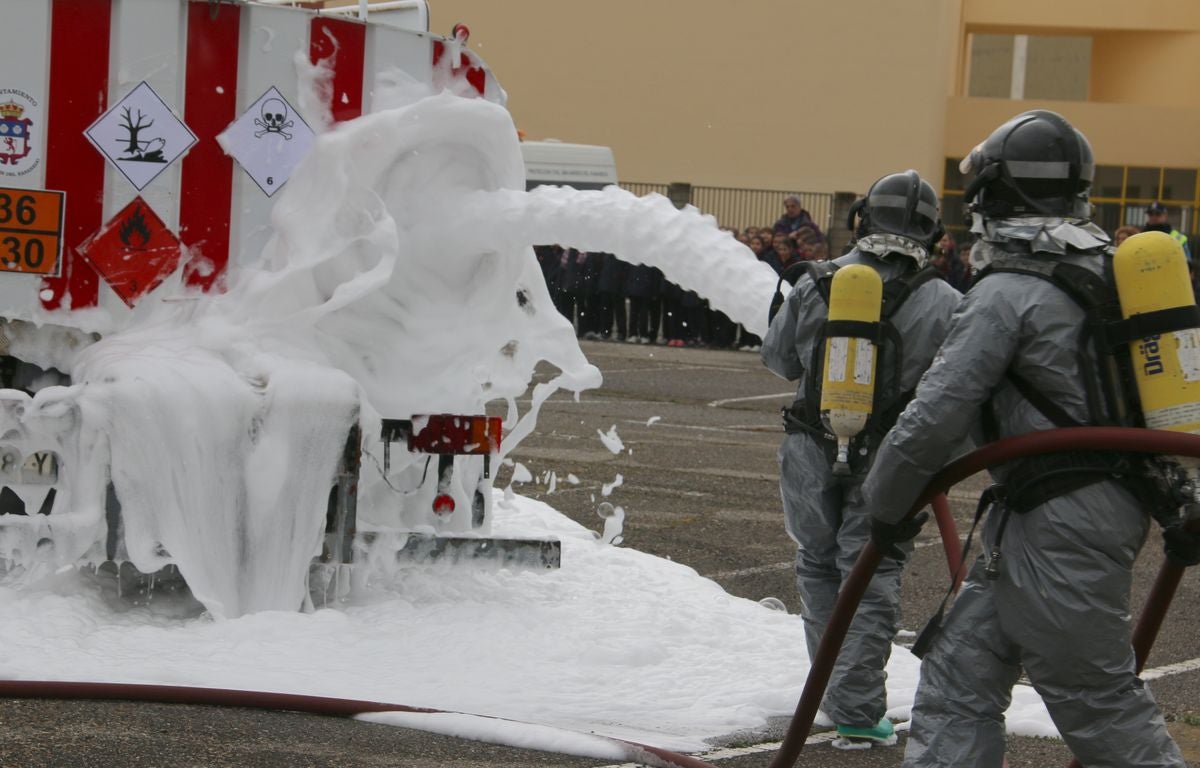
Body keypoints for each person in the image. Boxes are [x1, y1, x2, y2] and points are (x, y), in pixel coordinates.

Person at [863, 110, 1191, 766]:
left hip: (1059, 523)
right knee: (957, 676)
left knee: (1098, 704)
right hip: (1059, 515)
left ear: (993, 195)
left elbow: (932, 419)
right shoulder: (1108, 270)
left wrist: (883, 504)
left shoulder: (1007, 292)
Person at [761, 170, 960, 749]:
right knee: (868, 577)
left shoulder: (815, 281)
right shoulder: (944, 300)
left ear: (862, 219)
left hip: (807, 449)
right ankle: (857, 708)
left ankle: (831, 698)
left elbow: (779, 362)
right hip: (891, 458)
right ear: (932, 231)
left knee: (817, 566)